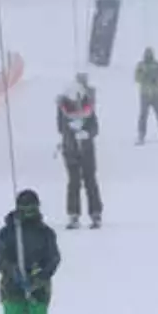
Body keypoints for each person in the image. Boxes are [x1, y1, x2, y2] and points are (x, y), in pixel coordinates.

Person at [56, 78, 102, 230]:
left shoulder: (89, 109)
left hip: (87, 150)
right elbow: (61, 129)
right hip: (70, 151)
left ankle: (95, 213)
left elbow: (95, 127)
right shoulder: (62, 110)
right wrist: (71, 133)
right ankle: (73, 214)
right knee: (74, 182)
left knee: (90, 181)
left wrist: (86, 133)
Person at [135, 48, 158, 144]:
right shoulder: (141, 65)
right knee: (143, 115)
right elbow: (137, 78)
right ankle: (141, 134)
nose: (148, 56)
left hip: (155, 93)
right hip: (145, 93)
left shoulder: (157, 65)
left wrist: (156, 80)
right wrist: (144, 75)